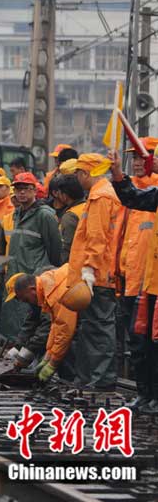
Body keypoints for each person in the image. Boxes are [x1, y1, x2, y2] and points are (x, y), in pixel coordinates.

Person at [69, 152, 124, 390]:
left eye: (78, 174)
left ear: (85, 173)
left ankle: (99, 380)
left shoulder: (100, 197)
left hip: (99, 275)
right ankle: (93, 378)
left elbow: (97, 237)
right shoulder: (101, 194)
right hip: (99, 273)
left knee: (98, 328)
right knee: (95, 327)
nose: (78, 180)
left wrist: (89, 269)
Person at [109, 146, 158, 411]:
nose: (142, 164)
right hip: (146, 284)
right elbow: (132, 197)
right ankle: (145, 394)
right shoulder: (153, 195)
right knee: (140, 343)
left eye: (147, 159)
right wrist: (117, 172)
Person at [0, 172, 61, 340]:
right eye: (18, 189)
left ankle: (29, 354)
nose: (21, 193)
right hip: (16, 275)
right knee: (16, 320)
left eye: (26, 189)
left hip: (34, 279)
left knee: (34, 320)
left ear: (34, 190)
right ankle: (18, 352)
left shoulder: (45, 215)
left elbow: (55, 251)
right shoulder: (15, 215)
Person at [3, 264, 87, 382]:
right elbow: (55, 326)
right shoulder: (45, 287)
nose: (26, 303)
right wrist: (47, 357)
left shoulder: (55, 292)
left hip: (93, 301)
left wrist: (52, 363)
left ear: (31, 289)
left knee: (71, 345)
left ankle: (82, 382)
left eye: (25, 299)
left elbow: (64, 330)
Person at [49, 174, 85, 264]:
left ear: (64, 195)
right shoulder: (89, 207)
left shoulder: (70, 216)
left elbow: (66, 247)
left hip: (74, 265)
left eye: (60, 193)